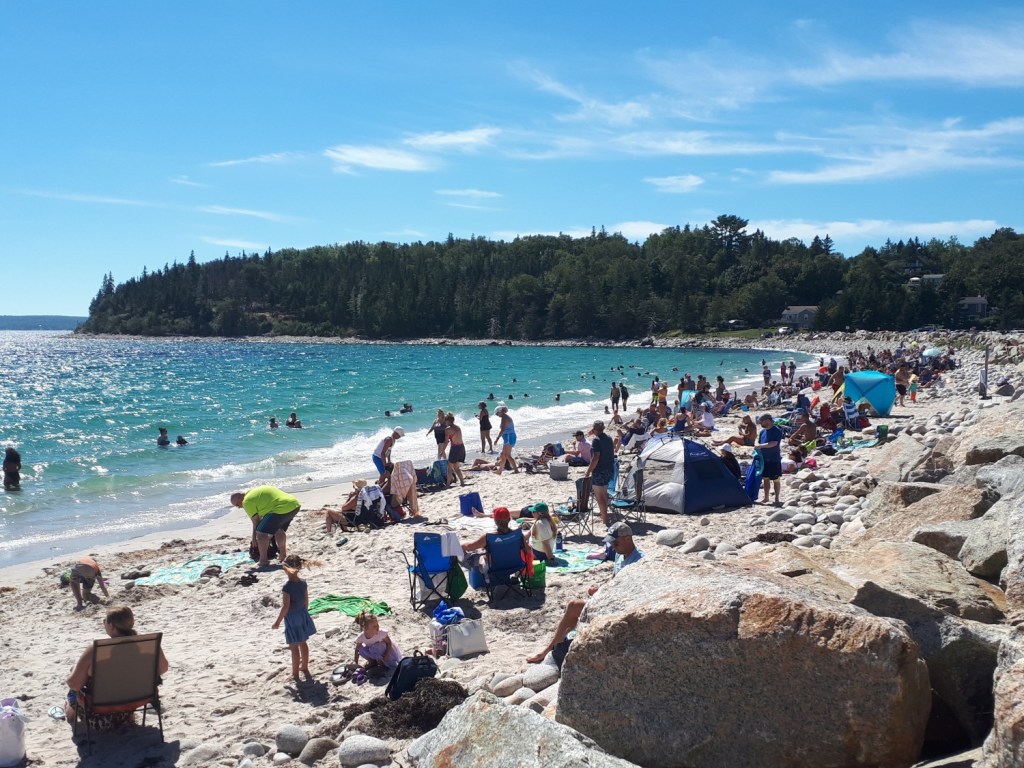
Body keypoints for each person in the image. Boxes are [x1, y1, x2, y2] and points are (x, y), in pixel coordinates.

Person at [526, 522, 642, 664]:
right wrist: (600, 588)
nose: (613, 547)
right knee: (574, 607)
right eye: (612, 543)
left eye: (616, 543)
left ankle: (552, 649)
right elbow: (613, 579)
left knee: (575, 608)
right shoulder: (620, 554)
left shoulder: (639, 561)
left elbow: (633, 591)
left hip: (622, 608)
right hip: (610, 600)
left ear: (628, 539)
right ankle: (555, 647)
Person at [64, 606, 169, 725]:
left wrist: (75, 669)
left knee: (74, 689)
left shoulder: (95, 650)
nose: (103, 623)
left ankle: (70, 710)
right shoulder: (148, 643)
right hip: (135, 702)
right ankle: (127, 716)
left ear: (112, 626)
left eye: (105, 620)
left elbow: (74, 684)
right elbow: (163, 668)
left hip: (100, 714)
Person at [271, 555, 317, 682]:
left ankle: (295, 674)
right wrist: (304, 613)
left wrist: (277, 622)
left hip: (292, 618)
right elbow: (306, 600)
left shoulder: (287, 587)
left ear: (286, 569)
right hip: (302, 614)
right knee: (303, 642)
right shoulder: (303, 583)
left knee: (294, 646)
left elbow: (286, 607)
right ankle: (304, 667)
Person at [230, 486, 301, 567]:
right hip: (294, 505)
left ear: (240, 498)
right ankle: (283, 555)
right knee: (279, 529)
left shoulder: (247, 501)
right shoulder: (257, 491)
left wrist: (254, 539)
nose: (239, 507)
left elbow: (256, 523)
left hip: (280, 508)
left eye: (237, 505)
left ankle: (263, 560)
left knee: (261, 532)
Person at [585, 420, 615, 527]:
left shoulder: (596, 440)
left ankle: (605, 520)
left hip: (599, 470)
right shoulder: (609, 438)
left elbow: (596, 457)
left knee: (599, 496)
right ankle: (605, 516)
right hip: (609, 469)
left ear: (594, 429)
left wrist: (588, 471)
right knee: (604, 493)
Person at [755, 414, 784, 506]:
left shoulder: (776, 431)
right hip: (764, 459)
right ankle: (766, 497)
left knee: (776, 479)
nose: (760, 424)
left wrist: (760, 446)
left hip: (774, 459)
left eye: (761, 422)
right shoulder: (762, 431)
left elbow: (774, 443)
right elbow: (759, 442)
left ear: (767, 420)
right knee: (765, 479)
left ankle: (777, 498)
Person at [443, 412, 467, 487]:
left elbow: (446, 441)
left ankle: (447, 485)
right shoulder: (458, 427)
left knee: (449, 467)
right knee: (456, 467)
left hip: (455, 448)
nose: (445, 423)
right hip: (461, 447)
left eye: (445, 421)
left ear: (448, 421)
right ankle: (462, 482)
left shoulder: (448, 429)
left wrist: (442, 450)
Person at [494, 406, 518, 475]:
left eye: (497, 413)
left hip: (509, 437)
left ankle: (516, 470)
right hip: (508, 437)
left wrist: (497, 439)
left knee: (507, 455)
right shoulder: (504, 417)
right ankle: (500, 471)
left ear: (500, 411)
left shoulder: (505, 418)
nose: (497, 415)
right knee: (504, 455)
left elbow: (503, 429)